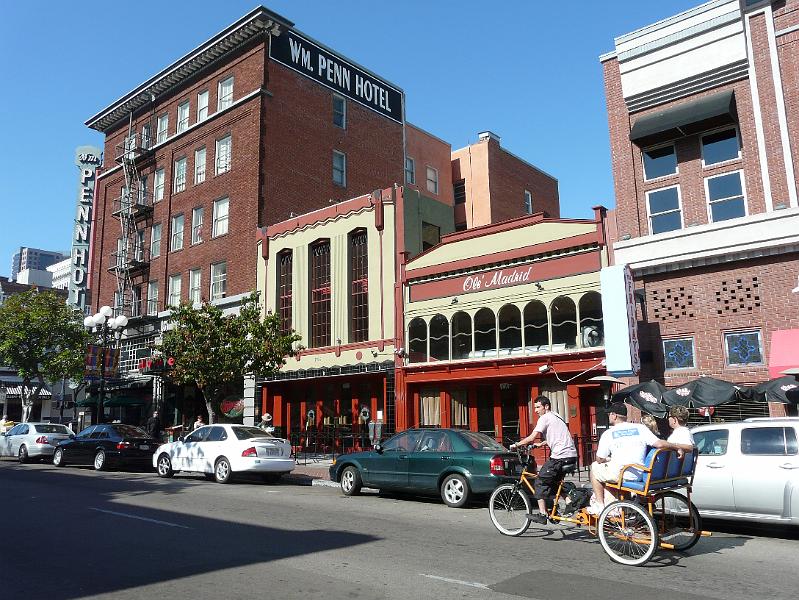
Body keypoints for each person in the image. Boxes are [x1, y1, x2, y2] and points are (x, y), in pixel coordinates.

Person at [589, 403, 681, 514]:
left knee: (594, 467)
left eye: (609, 414)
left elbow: (600, 459)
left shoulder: (608, 433)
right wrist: (677, 447)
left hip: (621, 473)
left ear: (614, 415)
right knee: (612, 469)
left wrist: (606, 459)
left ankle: (600, 505)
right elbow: (659, 444)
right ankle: (626, 509)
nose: (608, 417)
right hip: (639, 473)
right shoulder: (640, 428)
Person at [510, 396, 578, 524]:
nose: (535, 410)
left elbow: (532, 437)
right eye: (534, 407)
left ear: (546, 406)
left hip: (560, 456)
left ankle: (542, 514)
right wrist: (541, 444)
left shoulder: (544, 418)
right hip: (571, 455)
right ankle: (569, 502)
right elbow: (558, 436)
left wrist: (516, 445)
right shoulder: (557, 416)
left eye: (538, 407)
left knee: (540, 482)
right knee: (554, 481)